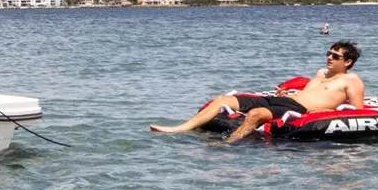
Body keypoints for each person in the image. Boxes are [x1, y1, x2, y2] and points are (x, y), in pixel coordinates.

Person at [151, 41, 366, 143]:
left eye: (335, 56)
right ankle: (178, 129)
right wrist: (286, 93)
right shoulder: (321, 73)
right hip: (284, 101)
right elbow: (310, 90)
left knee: (256, 115)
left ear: (347, 61)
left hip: (299, 110)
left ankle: (227, 146)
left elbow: (357, 110)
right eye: (328, 53)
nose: (329, 58)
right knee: (223, 99)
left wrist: (321, 111)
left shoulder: (352, 80)